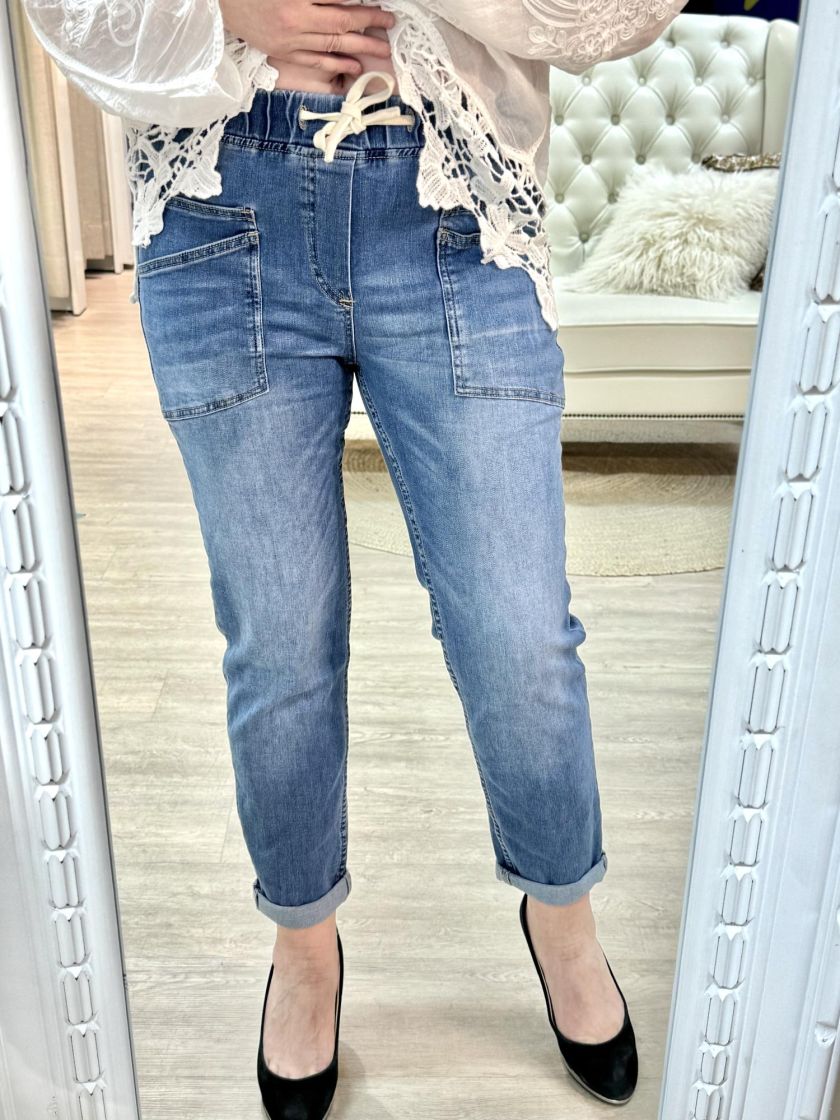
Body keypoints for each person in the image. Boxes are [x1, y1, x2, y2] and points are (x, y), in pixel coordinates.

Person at [20, 1, 687, 1115]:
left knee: (518, 633)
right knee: (278, 644)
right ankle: (303, 946)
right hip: (221, 203)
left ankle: (563, 916)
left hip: (454, 204)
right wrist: (231, 11)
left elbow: (629, 10)